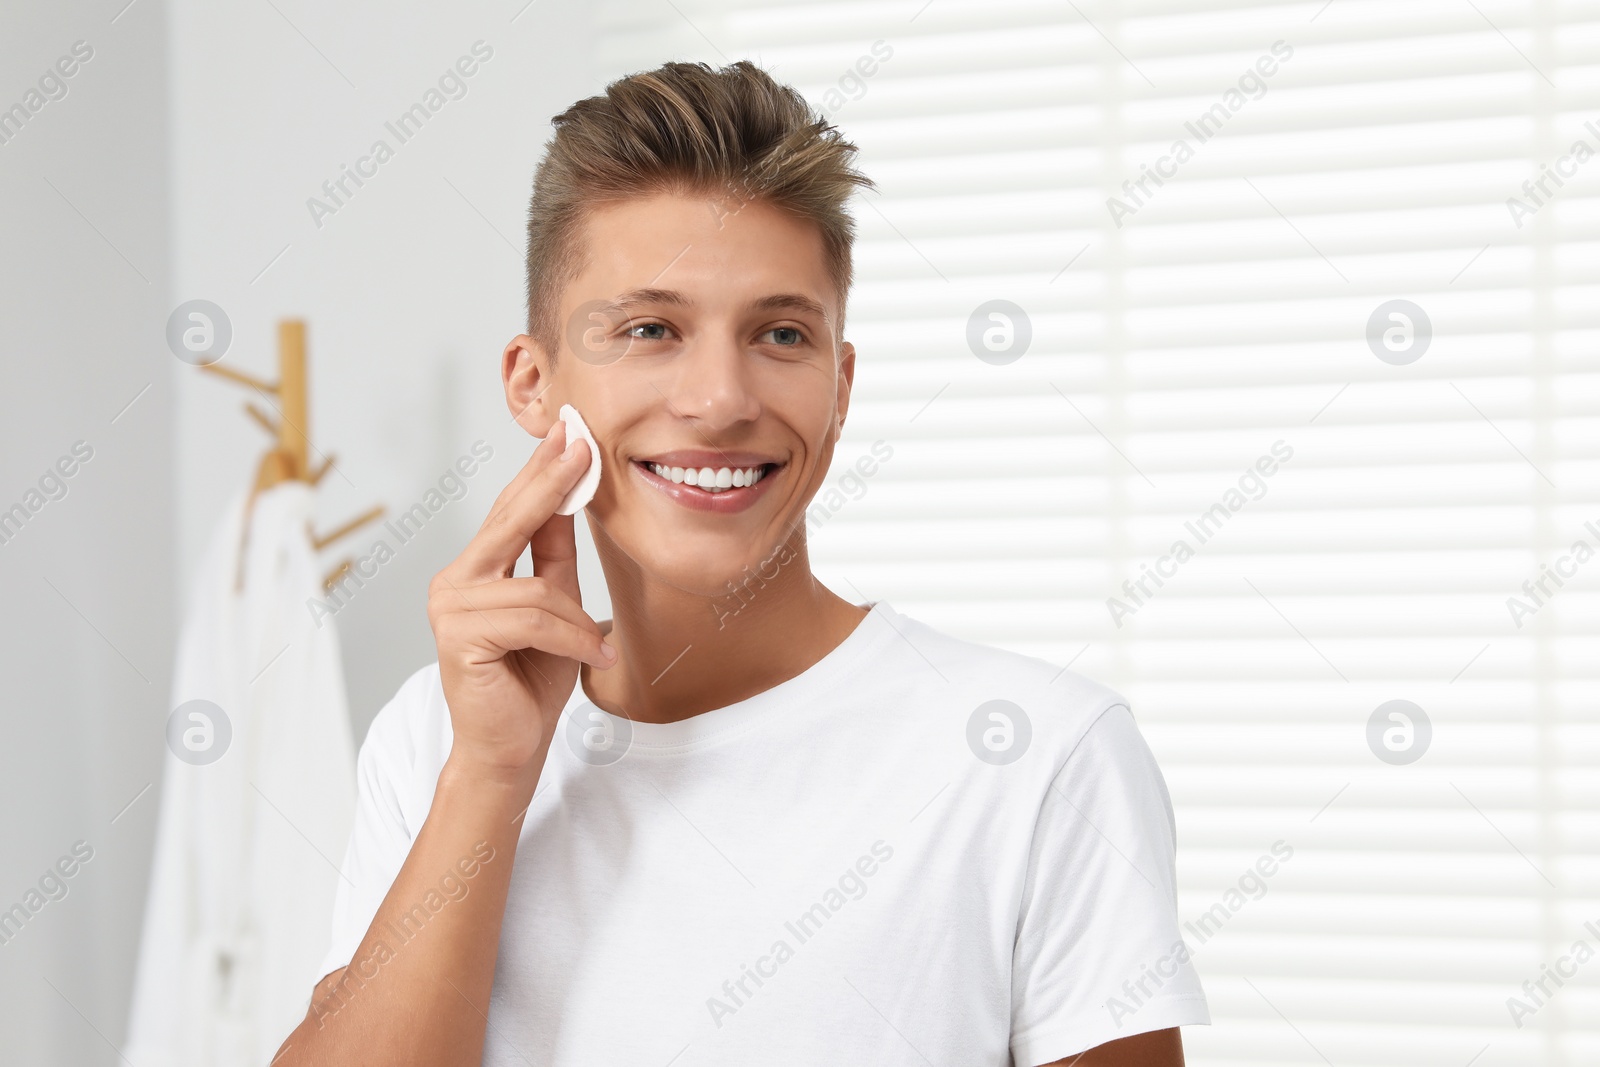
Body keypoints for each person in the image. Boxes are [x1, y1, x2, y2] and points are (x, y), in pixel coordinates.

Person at [273, 59, 1207, 1066]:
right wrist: (489, 776)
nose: (719, 398)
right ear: (535, 384)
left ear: (839, 384)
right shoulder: (436, 739)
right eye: (648, 328)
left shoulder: (1040, 758)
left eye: (779, 332)